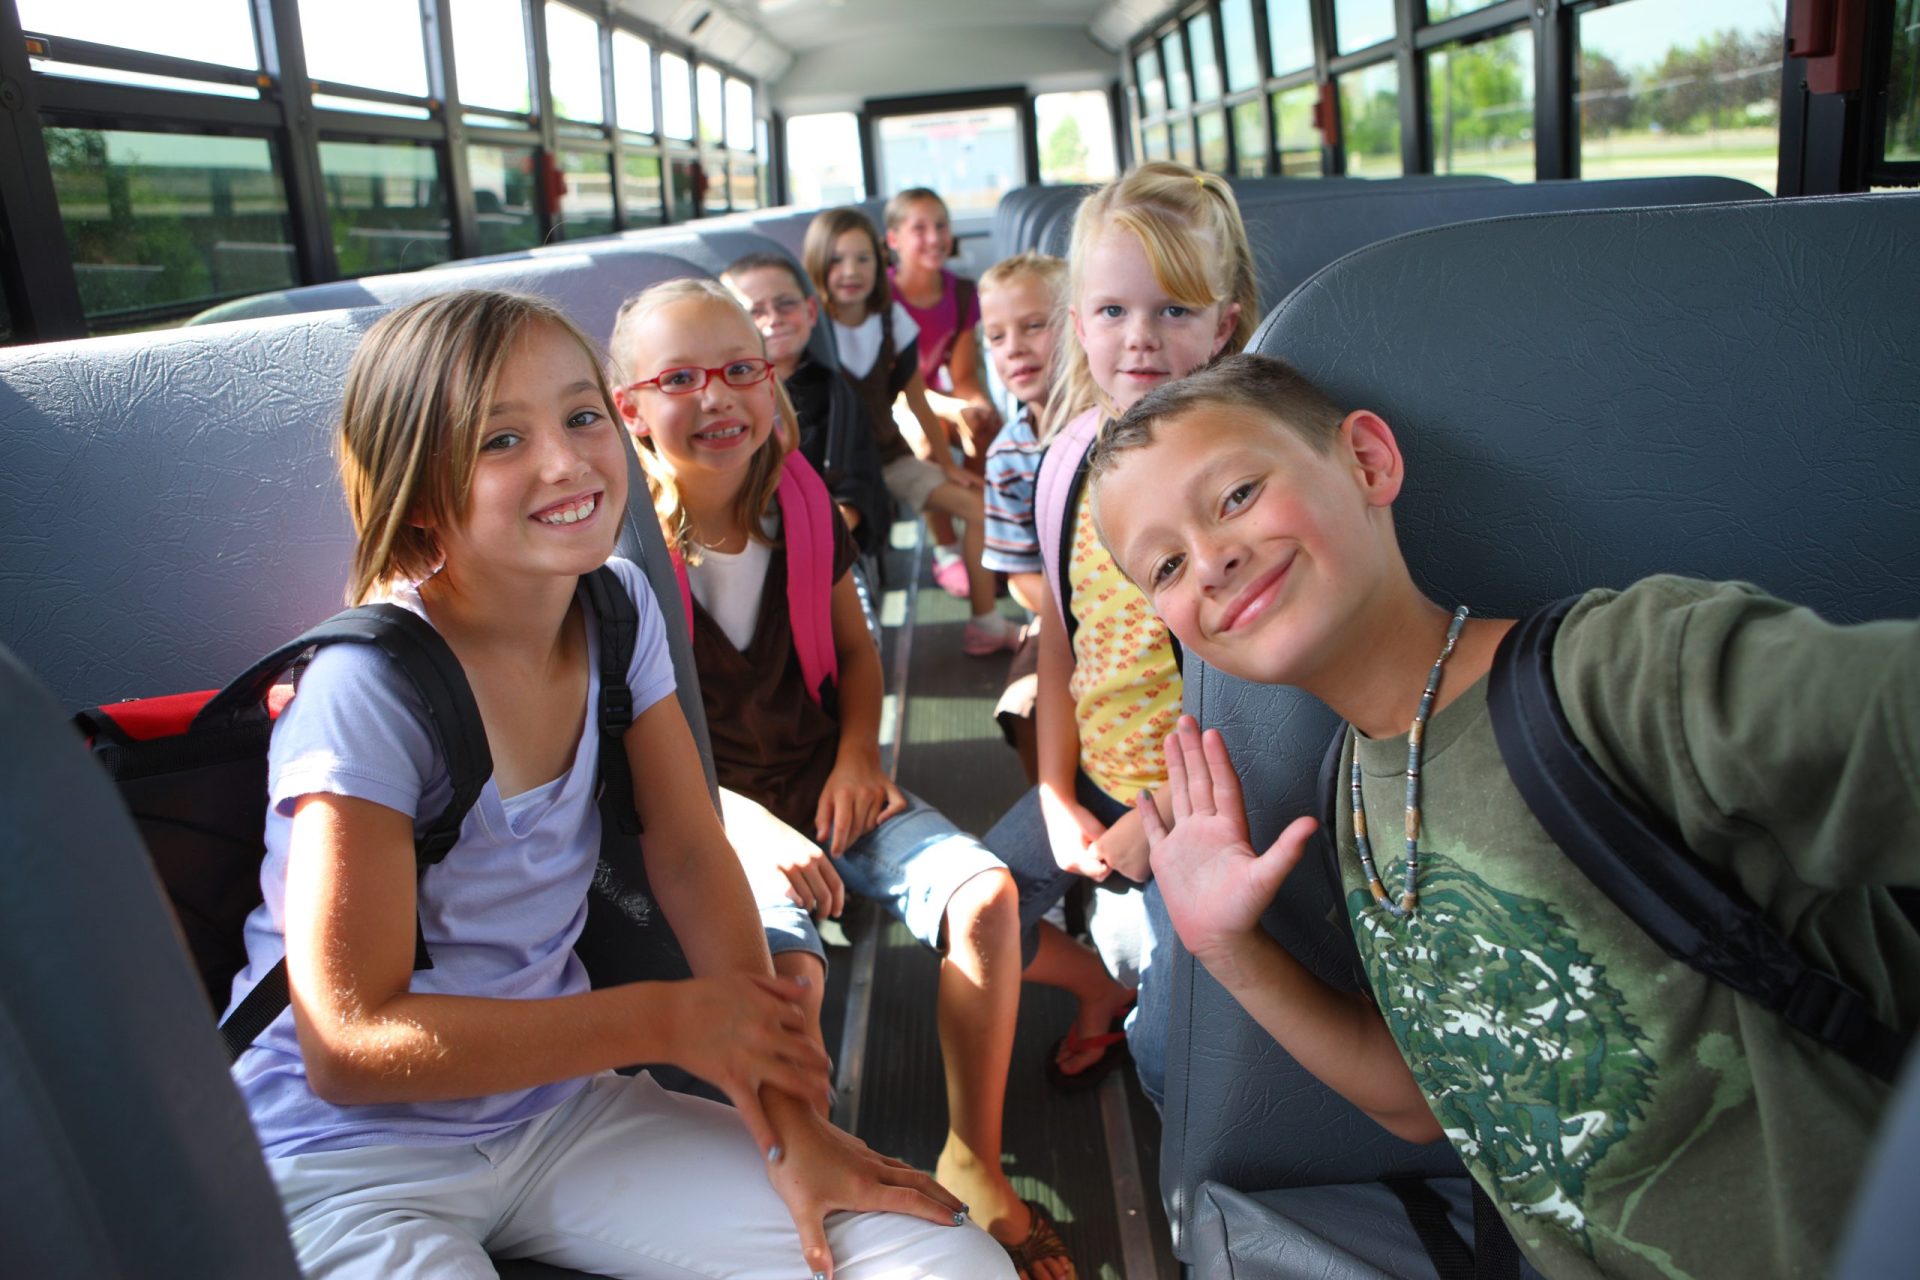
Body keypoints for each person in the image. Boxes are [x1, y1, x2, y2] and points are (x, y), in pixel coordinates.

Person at [224, 288, 1008, 1280]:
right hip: (349, 1160)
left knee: (943, 1258)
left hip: (560, 1110)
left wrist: (789, 1123)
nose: (566, 459)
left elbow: (686, 850)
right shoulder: (367, 690)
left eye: (581, 415)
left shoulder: (615, 608)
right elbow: (349, 1040)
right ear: (420, 489)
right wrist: (669, 1020)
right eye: (502, 439)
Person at [1090, 352, 1920, 1280]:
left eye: (1237, 494)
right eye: (1164, 564)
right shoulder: (1356, 800)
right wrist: (1228, 951)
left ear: (1367, 462)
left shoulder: (1625, 675)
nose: (1210, 561)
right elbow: (1424, 1100)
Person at [610, 277, 1109, 1280]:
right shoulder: (623, 562)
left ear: (772, 379)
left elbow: (858, 654)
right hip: (711, 820)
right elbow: (639, 755)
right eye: (679, 379)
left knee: (986, 894)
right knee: (787, 973)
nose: (717, 397)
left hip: (824, 773)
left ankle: (975, 1156)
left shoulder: (800, 504)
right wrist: (748, 826)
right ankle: (821, 1173)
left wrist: (856, 757)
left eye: (740, 369)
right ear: (630, 408)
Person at [983, 163, 1258, 1101]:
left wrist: (1160, 821)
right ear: (1078, 326)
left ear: (1225, 324)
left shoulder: (1243, 485)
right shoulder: (1068, 462)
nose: (1139, 339)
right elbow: (1063, 645)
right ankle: (1102, 989)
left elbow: (1270, 699)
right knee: (973, 915)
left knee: (1168, 1056)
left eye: (1174, 311)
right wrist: (1057, 792)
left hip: (1209, 805)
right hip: (1098, 776)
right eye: (1111, 312)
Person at [803, 207, 1018, 649]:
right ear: (818, 265)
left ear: (880, 263)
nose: (851, 272)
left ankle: (986, 623)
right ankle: (840, 645)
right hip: (835, 471)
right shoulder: (809, 328)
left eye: (863, 259)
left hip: (890, 457)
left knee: (978, 506)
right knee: (833, 534)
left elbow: (916, 399)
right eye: (838, 260)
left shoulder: (890, 321)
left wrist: (946, 464)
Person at [720, 250, 889, 555]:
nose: (774, 318)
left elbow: (853, 494)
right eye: (754, 311)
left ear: (811, 311)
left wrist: (807, 544)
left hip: (814, 544)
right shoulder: (718, 400)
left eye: (786, 304)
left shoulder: (838, 397)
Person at [976, 251, 1068, 784]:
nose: (1015, 348)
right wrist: (1073, 622)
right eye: (997, 337)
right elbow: (1021, 575)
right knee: (1023, 705)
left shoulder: (1114, 423)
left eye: (1035, 326)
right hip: (1057, 613)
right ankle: (1051, 798)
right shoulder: (1008, 455)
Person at [885, 187, 1003, 462]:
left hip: (938, 395)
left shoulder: (962, 294)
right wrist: (953, 409)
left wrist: (978, 406)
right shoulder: (882, 298)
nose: (934, 238)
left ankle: (984, 502)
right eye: (919, 228)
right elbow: (898, 388)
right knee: (928, 436)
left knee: (984, 428)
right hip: (895, 401)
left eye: (941, 226)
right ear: (893, 239)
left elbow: (963, 376)